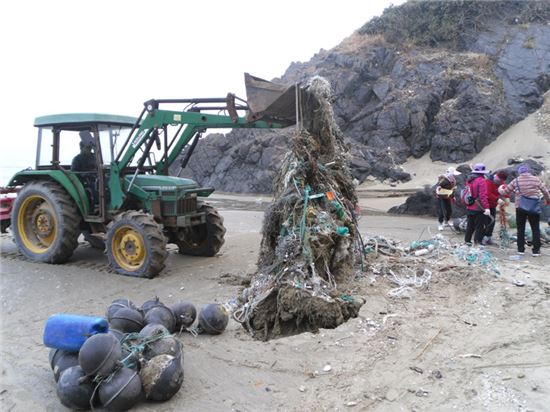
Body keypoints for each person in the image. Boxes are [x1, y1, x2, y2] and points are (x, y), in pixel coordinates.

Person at [499, 163, 550, 257]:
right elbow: (545, 191)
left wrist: (500, 189)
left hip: (520, 207)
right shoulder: (536, 180)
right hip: (534, 207)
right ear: (529, 171)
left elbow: (505, 192)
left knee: (520, 228)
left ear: (519, 172)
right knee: (535, 228)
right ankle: (536, 251)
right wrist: (548, 201)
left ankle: (520, 250)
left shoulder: (516, 181)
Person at [464, 163, 491, 246]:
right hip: (478, 207)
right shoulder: (481, 180)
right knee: (479, 226)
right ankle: (477, 243)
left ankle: (467, 241)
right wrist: (486, 208)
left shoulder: (469, 180)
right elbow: (483, 196)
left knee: (470, 225)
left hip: (469, 206)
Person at [483, 170, 508, 245]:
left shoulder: (501, 183)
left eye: (501, 181)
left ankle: (488, 237)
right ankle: (483, 237)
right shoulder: (488, 182)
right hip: (486, 204)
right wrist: (497, 199)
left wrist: (507, 197)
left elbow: (505, 189)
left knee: (492, 221)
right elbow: (487, 193)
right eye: (499, 180)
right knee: (486, 221)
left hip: (493, 205)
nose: (500, 182)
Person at [435, 166, 460, 231]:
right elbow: (438, 186)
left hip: (448, 196)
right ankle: (440, 223)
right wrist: (442, 180)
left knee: (449, 210)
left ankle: (446, 222)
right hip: (441, 196)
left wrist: (453, 196)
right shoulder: (443, 178)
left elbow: (452, 189)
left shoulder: (453, 179)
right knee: (442, 211)